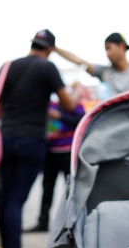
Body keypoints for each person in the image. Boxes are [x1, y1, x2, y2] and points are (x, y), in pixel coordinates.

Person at [0, 29, 81, 248]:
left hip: (6, 137)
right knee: (17, 199)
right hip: (31, 139)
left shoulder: (8, 66)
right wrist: (75, 90)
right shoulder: (47, 67)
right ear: (50, 49)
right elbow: (69, 104)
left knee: (6, 196)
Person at [25, 89, 85, 233]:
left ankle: (72, 224)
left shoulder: (76, 106)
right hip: (50, 153)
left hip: (68, 152)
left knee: (71, 189)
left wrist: (60, 117)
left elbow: (81, 122)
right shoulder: (49, 105)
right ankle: (43, 222)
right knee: (47, 188)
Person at [55, 33, 129, 98]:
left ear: (122, 46)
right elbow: (79, 61)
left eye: (109, 48)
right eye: (105, 50)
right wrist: (55, 48)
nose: (107, 53)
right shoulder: (105, 72)